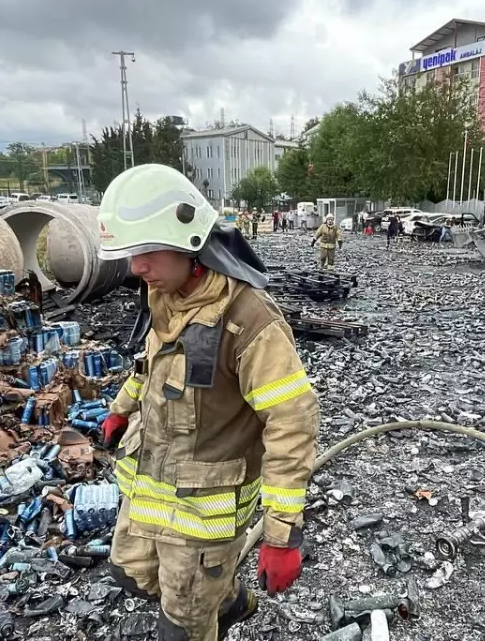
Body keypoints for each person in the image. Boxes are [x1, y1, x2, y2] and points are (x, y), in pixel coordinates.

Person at [95, 164, 319, 641]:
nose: (136, 267)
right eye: (133, 251)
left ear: (190, 243)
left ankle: (211, 606)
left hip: (204, 514)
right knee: (128, 576)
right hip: (150, 490)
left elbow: (292, 423)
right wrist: (121, 407)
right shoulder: (165, 294)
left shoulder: (248, 320)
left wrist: (281, 536)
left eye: (148, 251)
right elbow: (150, 365)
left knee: (182, 630)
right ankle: (229, 600)